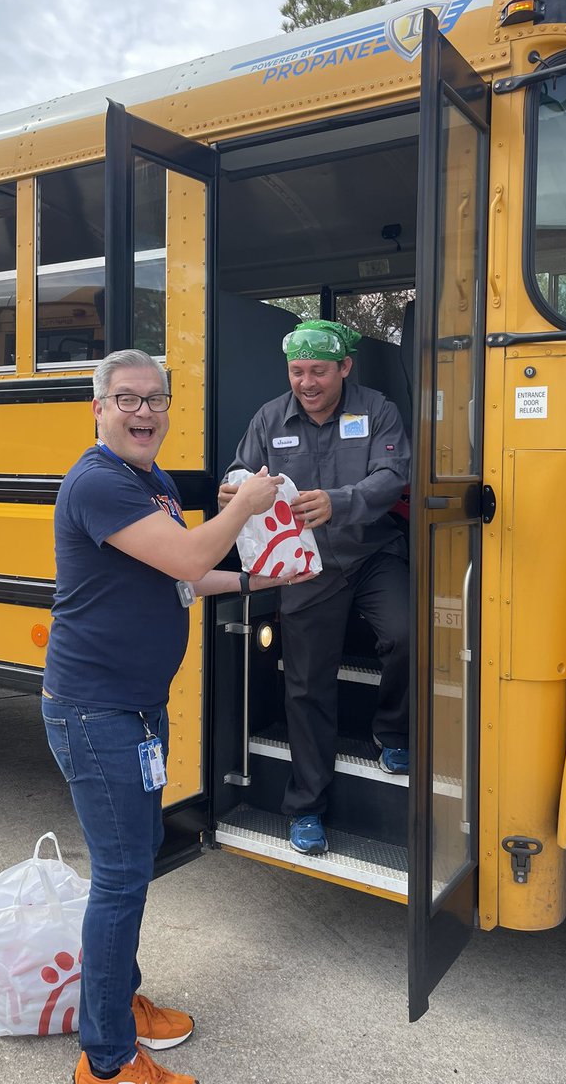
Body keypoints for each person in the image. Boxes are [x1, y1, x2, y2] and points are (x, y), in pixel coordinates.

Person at [42, 348, 310, 1084]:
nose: (143, 414)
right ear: (98, 409)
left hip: (134, 709)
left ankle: (119, 1003)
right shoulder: (97, 482)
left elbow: (184, 578)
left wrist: (263, 572)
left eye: (155, 400)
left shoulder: (151, 481)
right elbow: (192, 557)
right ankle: (106, 1061)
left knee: (128, 872)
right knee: (123, 877)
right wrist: (244, 509)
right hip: (96, 713)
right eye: (126, 400)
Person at [219, 319, 411, 857]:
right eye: (298, 370)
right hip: (305, 566)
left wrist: (341, 501)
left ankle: (392, 734)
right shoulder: (268, 418)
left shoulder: (376, 411)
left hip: (372, 553)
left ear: (344, 368)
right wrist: (234, 489)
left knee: (406, 634)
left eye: (319, 371)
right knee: (306, 684)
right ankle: (306, 809)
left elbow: (393, 474)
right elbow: (242, 468)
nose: (307, 382)